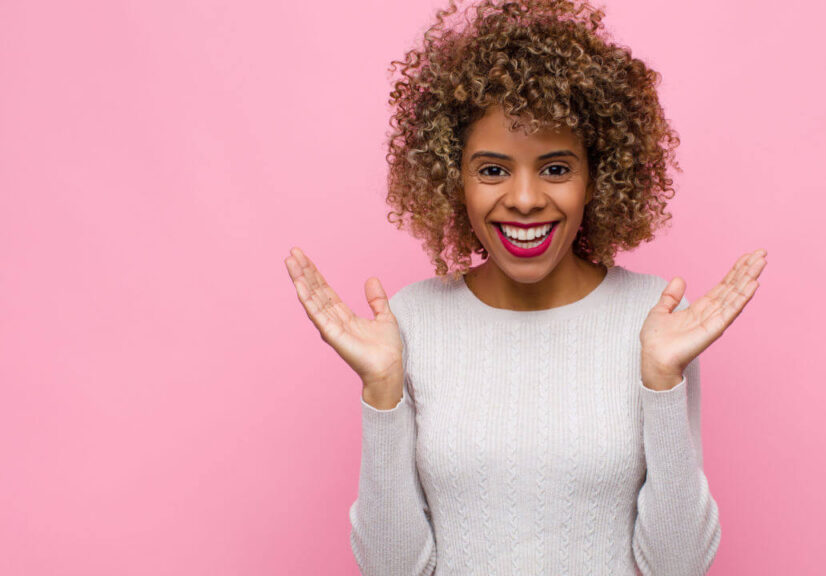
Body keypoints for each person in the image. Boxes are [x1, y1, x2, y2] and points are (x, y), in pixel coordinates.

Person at [283, 0, 767, 573]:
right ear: (453, 177)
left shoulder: (655, 318)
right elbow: (391, 569)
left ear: (597, 177)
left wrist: (662, 383)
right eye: (492, 170)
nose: (525, 199)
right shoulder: (411, 322)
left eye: (556, 168)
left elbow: (678, 566)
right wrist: (382, 392)